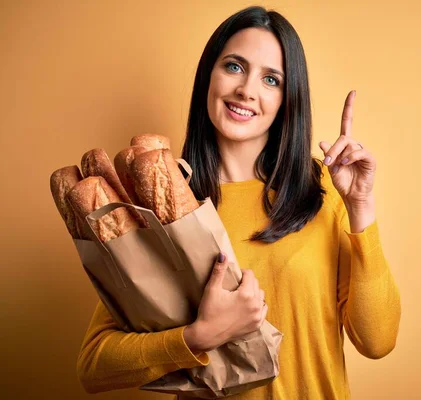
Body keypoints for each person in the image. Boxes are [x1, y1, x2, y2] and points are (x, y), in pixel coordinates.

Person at [76, 6, 401, 399]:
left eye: (271, 79)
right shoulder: (162, 207)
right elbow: (94, 364)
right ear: (208, 77)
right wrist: (199, 336)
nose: (247, 89)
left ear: (287, 99)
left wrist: (360, 204)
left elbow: (377, 340)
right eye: (233, 66)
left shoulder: (323, 190)